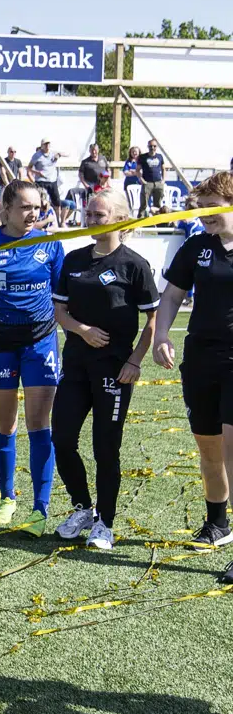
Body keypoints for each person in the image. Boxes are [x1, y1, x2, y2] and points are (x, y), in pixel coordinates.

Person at [51, 190, 159, 550]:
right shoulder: (74, 259)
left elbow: (154, 320)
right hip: (76, 365)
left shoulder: (134, 265)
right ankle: (82, 507)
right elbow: (60, 312)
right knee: (62, 439)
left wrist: (134, 361)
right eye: (89, 214)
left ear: (119, 219)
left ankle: (105, 523)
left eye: (98, 215)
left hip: (115, 370)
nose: (91, 220)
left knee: (105, 448)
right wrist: (82, 331)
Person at [0, 181, 65, 533]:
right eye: (25, 207)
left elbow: (61, 300)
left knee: (39, 424)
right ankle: (8, 497)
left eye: (37, 207)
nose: (33, 213)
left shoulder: (50, 244)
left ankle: (40, 508)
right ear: (4, 208)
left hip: (40, 343)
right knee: (5, 423)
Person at [152, 171, 233, 574]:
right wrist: (160, 335)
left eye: (212, 207)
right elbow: (171, 296)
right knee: (210, 448)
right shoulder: (197, 246)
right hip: (201, 357)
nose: (204, 216)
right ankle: (218, 523)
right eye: (199, 209)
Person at [28, 140, 64, 227]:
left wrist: (59, 155)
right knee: (41, 202)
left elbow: (67, 153)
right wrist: (37, 173)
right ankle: (39, 221)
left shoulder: (53, 153)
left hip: (52, 181)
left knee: (57, 203)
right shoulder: (37, 155)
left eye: (48, 144)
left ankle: (57, 222)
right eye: (45, 144)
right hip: (41, 181)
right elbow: (29, 168)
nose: (47, 146)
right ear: (42, 145)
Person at [139, 139, 167, 214]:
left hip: (158, 183)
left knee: (157, 205)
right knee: (143, 204)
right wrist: (141, 179)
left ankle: (157, 222)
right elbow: (137, 170)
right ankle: (140, 220)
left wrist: (163, 180)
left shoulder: (160, 156)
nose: (152, 147)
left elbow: (164, 169)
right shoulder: (143, 157)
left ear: (156, 147)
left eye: (154, 146)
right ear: (148, 146)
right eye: (150, 146)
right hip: (147, 183)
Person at [122, 144, 145, 218]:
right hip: (128, 184)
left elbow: (142, 172)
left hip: (139, 184)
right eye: (133, 152)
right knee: (130, 203)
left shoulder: (142, 161)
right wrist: (136, 173)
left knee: (140, 202)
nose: (134, 153)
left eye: (136, 151)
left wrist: (133, 171)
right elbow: (125, 172)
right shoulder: (128, 161)